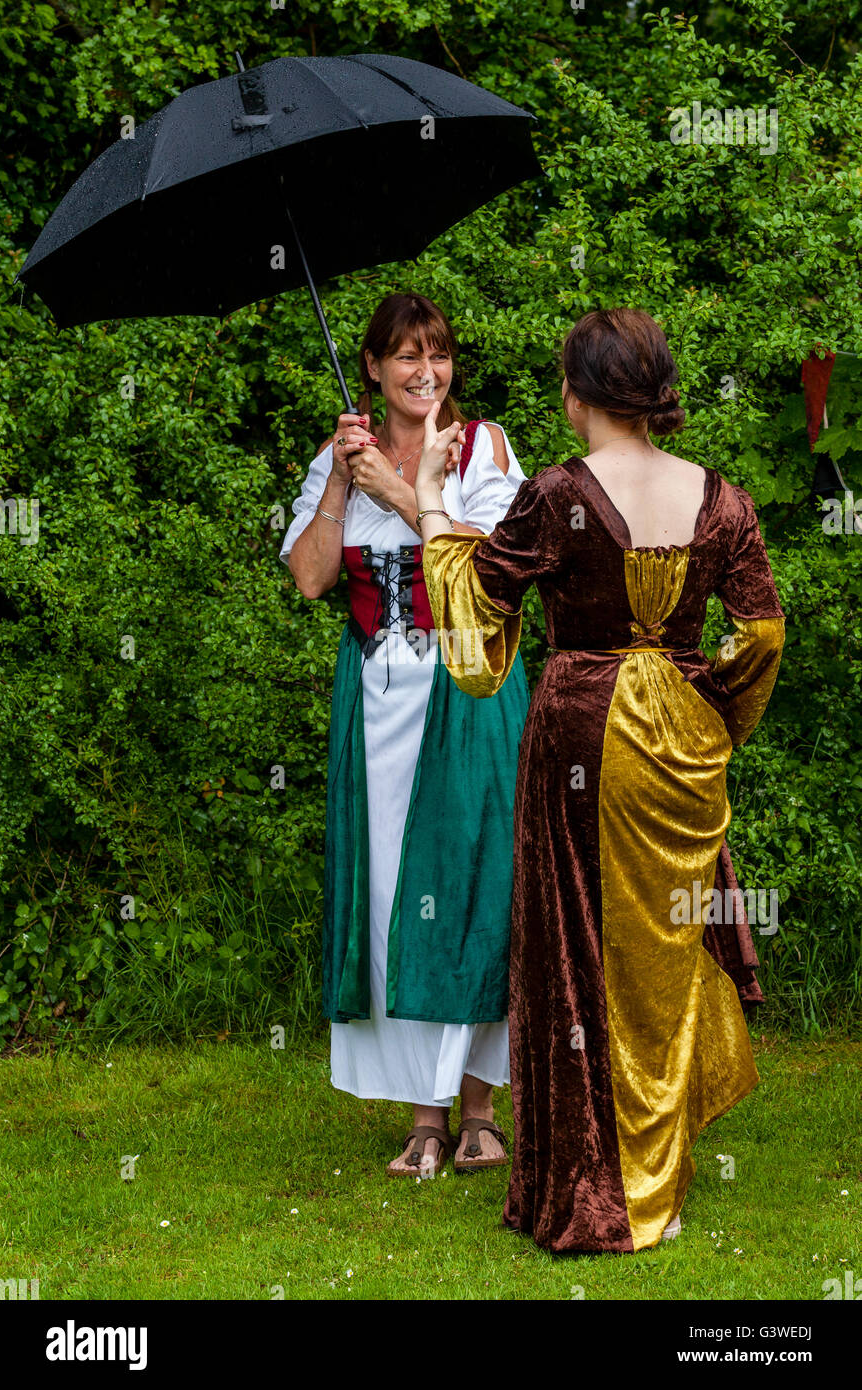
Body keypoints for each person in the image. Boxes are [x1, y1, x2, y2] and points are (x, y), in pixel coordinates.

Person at [416, 306, 785, 1251]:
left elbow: (473, 615)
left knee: (578, 952)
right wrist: (713, 715)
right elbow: (764, 633)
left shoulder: (555, 494)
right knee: (662, 946)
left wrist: (425, 501)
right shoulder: (723, 499)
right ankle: (656, 1169)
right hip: (682, 743)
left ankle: (596, 1182)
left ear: (580, 394)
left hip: (582, 727)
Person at [280, 293, 532, 1177]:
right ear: (376, 369)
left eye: (440, 354)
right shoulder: (337, 458)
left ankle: (478, 1110)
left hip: (468, 682)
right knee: (397, 888)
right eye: (408, 357)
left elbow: (504, 567)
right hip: (377, 699)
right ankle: (424, 1118)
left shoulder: (482, 448)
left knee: (469, 882)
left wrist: (406, 493)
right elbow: (311, 581)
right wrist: (349, 482)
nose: (428, 372)